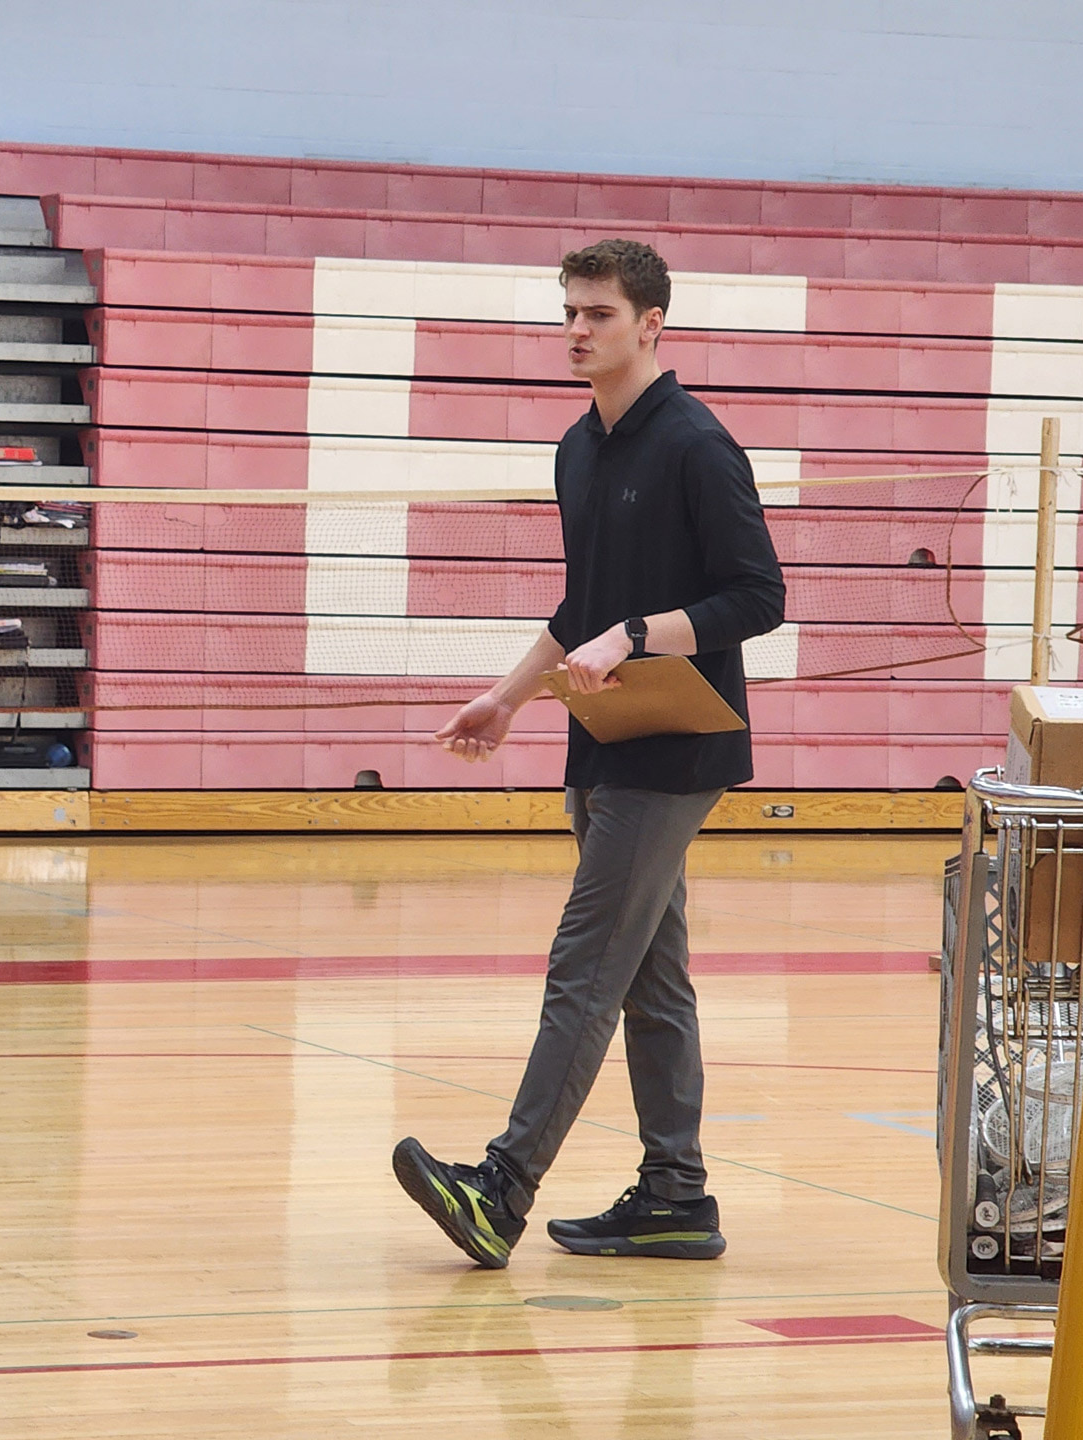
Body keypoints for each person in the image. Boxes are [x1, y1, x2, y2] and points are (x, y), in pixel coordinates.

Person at [391, 238, 785, 1268]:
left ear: (652, 324)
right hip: (599, 740)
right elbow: (582, 609)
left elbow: (760, 598)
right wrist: (508, 698)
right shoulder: (578, 448)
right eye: (569, 311)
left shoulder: (699, 447)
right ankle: (673, 1195)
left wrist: (644, 633)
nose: (576, 330)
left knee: (585, 968)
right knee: (653, 979)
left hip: (676, 752)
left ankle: (500, 1190)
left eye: (599, 314)